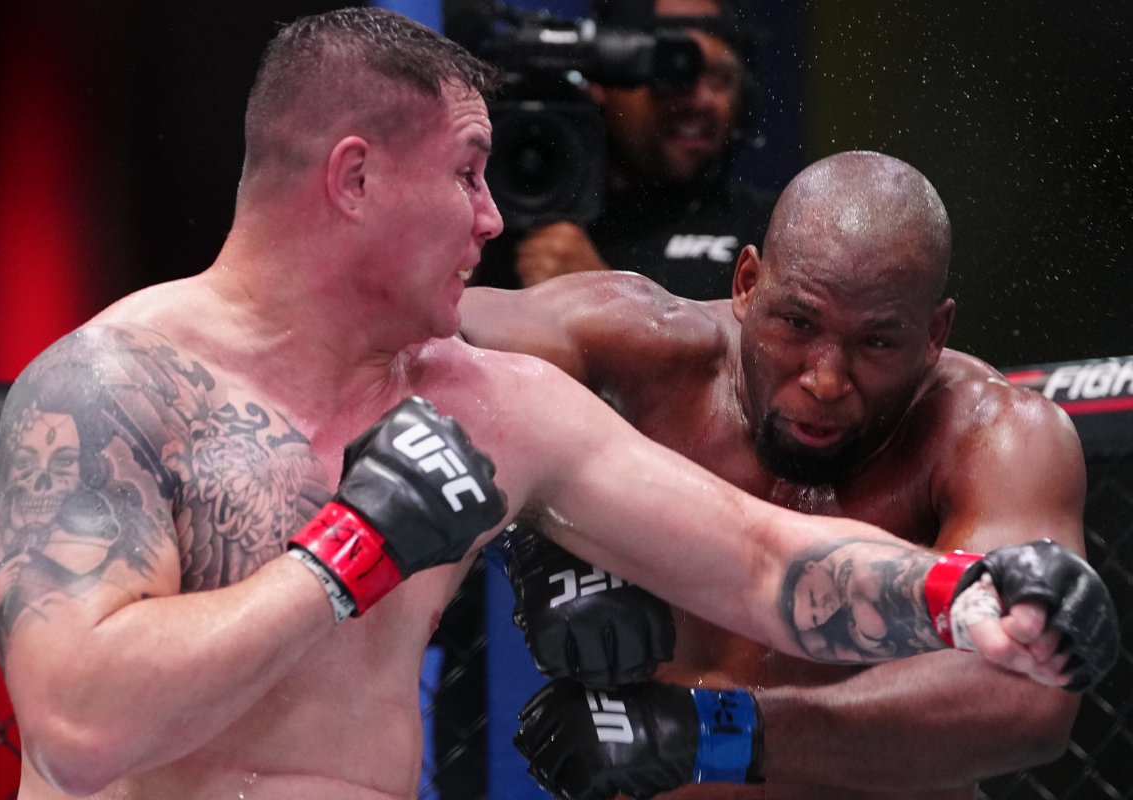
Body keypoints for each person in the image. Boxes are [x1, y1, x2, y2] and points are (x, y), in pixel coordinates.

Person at [0, 11, 1111, 798]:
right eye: (466, 173)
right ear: (356, 178)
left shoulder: (484, 402)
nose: (493, 217)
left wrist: (970, 597)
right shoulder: (109, 386)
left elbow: (764, 559)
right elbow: (79, 727)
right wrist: (346, 554)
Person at [459, 151, 1114, 799]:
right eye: (798, 323)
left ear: (935, 333)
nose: (825, 379)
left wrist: (709, 732)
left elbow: (1029, 699)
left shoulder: (991, 434)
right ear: (747, 283)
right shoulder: (641, 351)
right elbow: (422, 346)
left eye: (876, 342)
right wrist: (543, 531)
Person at [493, 0, 776, 299]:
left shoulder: (771, 232)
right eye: (673, 71)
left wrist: (602, 296)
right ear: (601, 81)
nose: (700, 100)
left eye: (719, 78)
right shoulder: (498, 217)